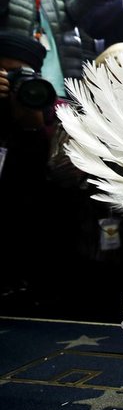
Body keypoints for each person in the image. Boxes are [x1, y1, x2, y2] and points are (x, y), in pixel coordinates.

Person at [0, 31, 53, 302]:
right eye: (7, 73)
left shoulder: (49, 107)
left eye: (23, 73)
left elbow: (49, 166)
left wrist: (32, 117)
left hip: (30, 219)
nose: (16, 80)